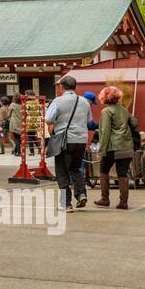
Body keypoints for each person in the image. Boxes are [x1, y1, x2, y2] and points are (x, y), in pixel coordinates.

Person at [44, 75, 92, 212]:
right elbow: (88, 120)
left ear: (62, 87)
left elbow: (48, 119)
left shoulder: (57, 101)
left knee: (62, 172)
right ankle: (81, 193)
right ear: (75, 86)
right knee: (76, 168)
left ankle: (66, 204)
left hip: (64, 140)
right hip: (81, 140)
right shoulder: (84, 101)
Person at [94, 86, 138, 210]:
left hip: (112, 148)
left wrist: (101, 150)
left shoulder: (106, 111)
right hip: (127, 146)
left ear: (104, 97)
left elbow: (105, 132)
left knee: (103, 171)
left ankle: (105, 199)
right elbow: (135, 123)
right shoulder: (123, 110)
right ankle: (123, 202)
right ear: (118, 97)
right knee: (122, 173)